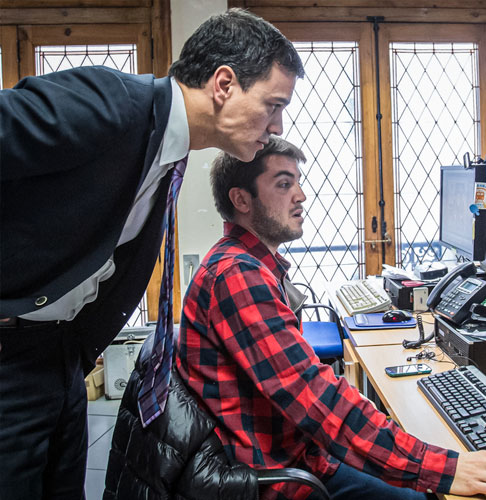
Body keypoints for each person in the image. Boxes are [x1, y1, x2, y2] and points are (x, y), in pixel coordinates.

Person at [0, 9, 304, 499]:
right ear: (224, 84)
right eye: (272, 104)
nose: (277, 124)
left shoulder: (169, 151)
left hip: (56, 357)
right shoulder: (113, 103)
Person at [168, 136, 486, 500]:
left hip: (297, 454)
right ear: (241, 199)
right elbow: (316, 398)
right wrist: (443, 467)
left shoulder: (244, 264)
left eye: (297, 182)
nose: (300, 195)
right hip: (280, 476)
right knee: (432, 493)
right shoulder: (237, 276)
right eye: (283, 184)